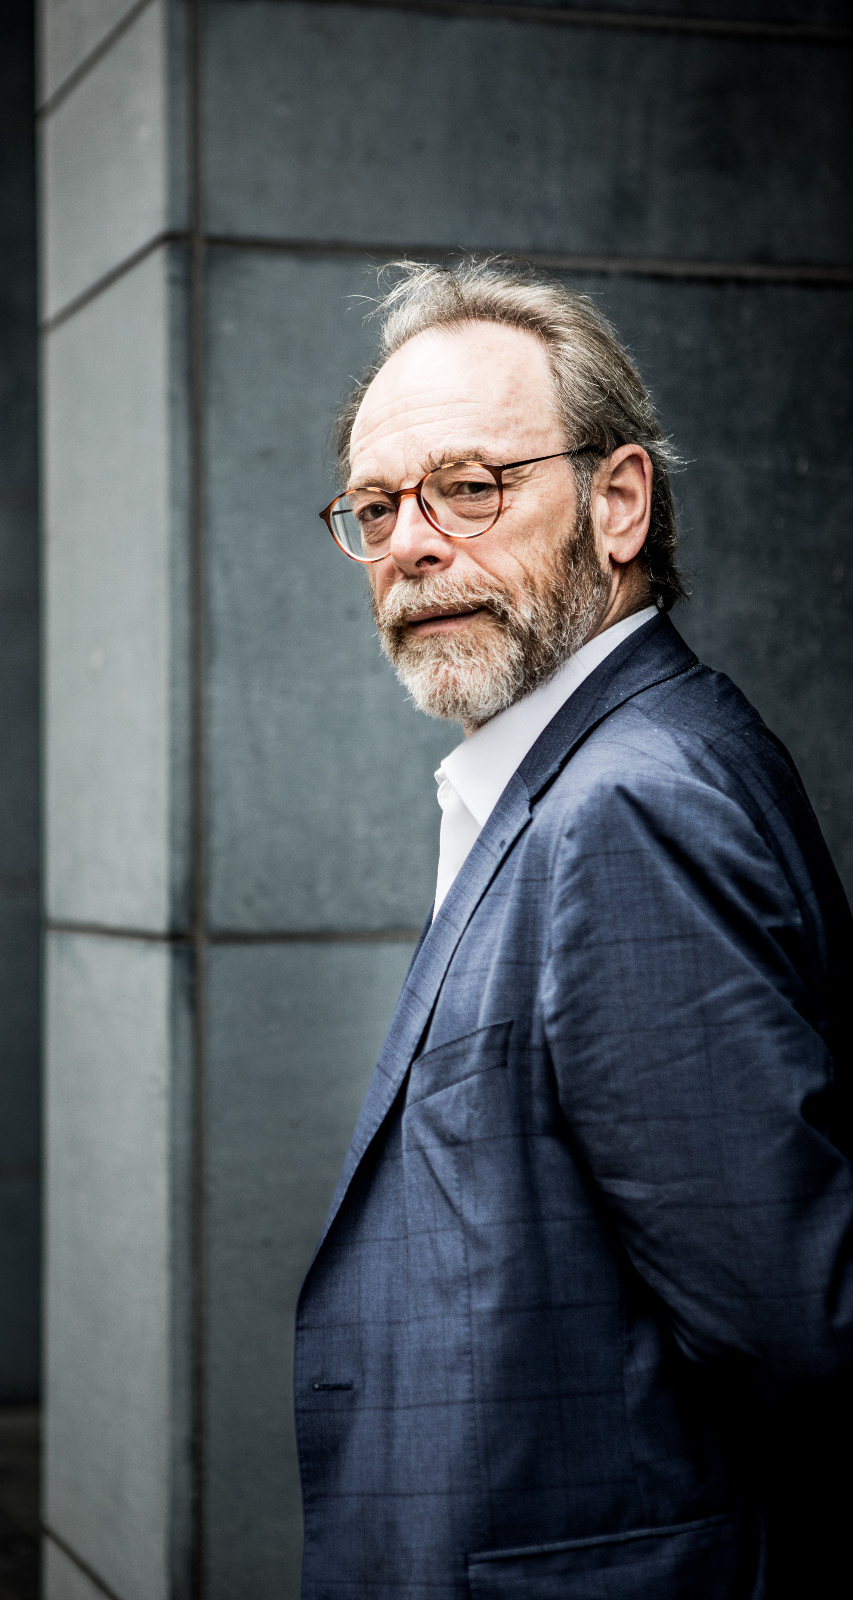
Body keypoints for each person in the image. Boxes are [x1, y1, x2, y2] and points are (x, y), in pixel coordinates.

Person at [295, 258, 853, 1600]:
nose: (412, 544)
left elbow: (788, 1324)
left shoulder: (629, 806)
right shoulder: (587, 766)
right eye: (377, 507)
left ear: (617, 504)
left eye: (469, 487)